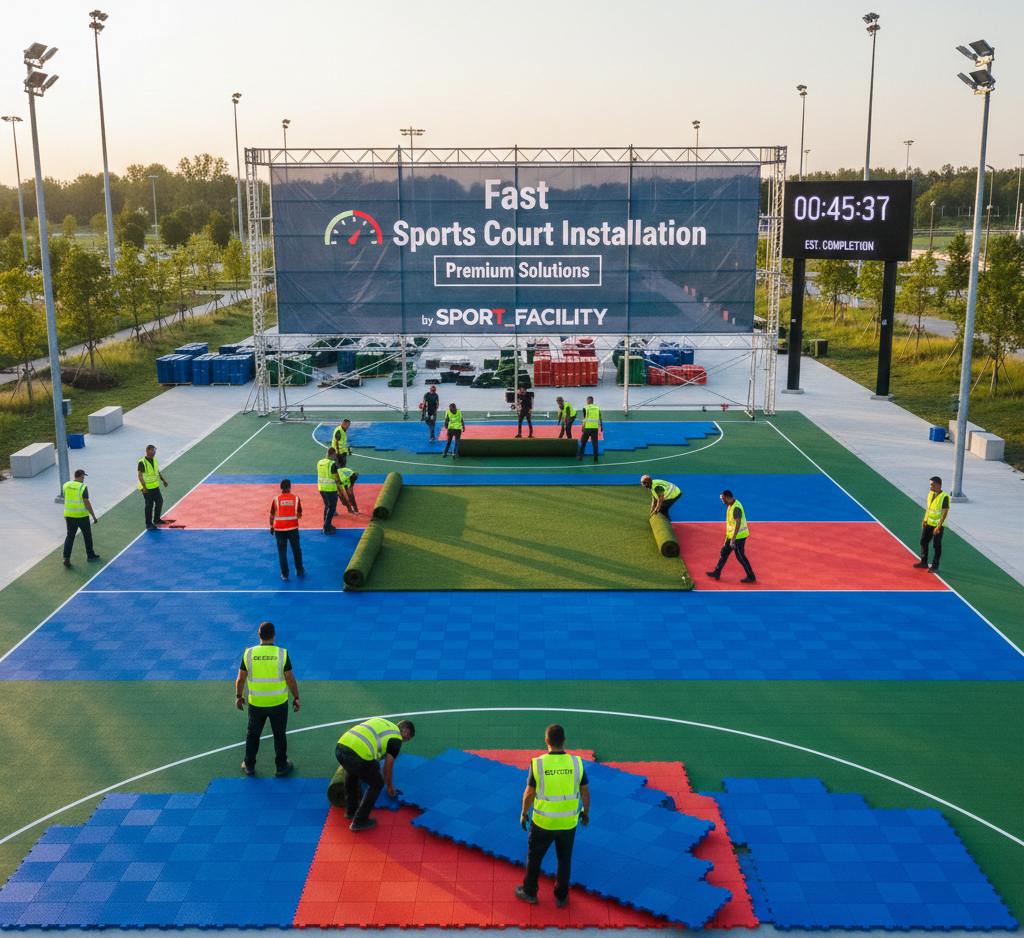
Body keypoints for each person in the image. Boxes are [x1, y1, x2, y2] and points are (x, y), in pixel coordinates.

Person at [514, 724, 590, 909]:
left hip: (543, 822)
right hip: (568, 823)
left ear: (546, 741)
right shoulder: (576, 763)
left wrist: (524, 812)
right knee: (564, 860)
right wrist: (585, 813)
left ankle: (530, 892)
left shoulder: (538, 763)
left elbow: (529, 793)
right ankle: (561, 896)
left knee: (535, 857)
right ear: (564, 741)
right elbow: (585, 791)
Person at [236, 621, 300, 777]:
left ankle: (249, 765)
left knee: (253, 734)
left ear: (259, 634)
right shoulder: (282, 653)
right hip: (278, 703)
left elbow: (240, 679)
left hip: (256, 703)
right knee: (279, 734)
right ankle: (281, 766)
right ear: (274, 635)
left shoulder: (248, 653)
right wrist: (296, 697)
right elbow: (290, 678)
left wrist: (239, 696)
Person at [335, 717, 416, 832]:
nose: (404, 741)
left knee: (352, 772)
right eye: (406, 739)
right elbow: (387, 767)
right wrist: (389, 786)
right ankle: (360, 820)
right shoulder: (396, 737)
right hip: (357, 755)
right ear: (406, 732)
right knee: (377, 784)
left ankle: (351, 811)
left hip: (340, 748)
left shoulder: (381, 722)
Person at [706, 490, 756, 583]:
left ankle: (751, 576)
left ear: (728, 497)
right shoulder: (730, 505)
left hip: (739, 537)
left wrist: (732, 539)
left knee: (740, 556)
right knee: (724, 553)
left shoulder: (736, 508)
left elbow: (738, 524)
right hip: (731, 536)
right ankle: (717, 572)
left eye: (723, 499)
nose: (722, 502)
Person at [62, 469, 100, 567]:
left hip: (69, 516)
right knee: (87, 536)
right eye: (83, 476)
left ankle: (66, 557)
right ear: (82, 476)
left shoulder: (66, 485)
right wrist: (93, 515)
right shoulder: (83, 487)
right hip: (82, 516)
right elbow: (86, 501)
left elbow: (67, 498)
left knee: (70, 536)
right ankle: (90, 556)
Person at [269, 479, 304, 581]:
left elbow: (272, 514)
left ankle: (285, 574)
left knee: (282, 552)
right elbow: (300, 514)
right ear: (290, 487)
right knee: (296, 549)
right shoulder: (296, 499)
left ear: (281, 488)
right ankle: (299, 569)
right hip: (293, 528)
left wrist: (271, 526)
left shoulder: (275, 499)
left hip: (279, 529)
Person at [914, 476, 949, 573]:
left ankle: (935, 566)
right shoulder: (930, 494)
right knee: (923, 541)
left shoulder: (944, 497)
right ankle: (924, 562)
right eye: (930, 484)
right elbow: (929, 508)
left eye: (932, 485)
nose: (931, 486)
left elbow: (944, 513)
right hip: (928, 523)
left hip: (938, 526)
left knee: (936, 545)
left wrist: (938, 526)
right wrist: (925, 520)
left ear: (939, 485)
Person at [138, 444, 170, 531]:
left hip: (155, 486)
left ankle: (156, 519)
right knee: (149, 505)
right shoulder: (142, 462)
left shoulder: (154, 459)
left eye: (154, 453)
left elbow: (156, 471)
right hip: (147, 488)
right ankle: (148, 524)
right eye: (151, 453)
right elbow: (140, 476)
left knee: (160, 501)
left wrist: (163, 480)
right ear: (147, 452)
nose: (153, 454)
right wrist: (144, 487)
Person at [317, 447, 343, 533]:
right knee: (331, 508)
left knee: (327, 506)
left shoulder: (320, 462)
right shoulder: (333, 464)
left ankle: (326, 524)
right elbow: (336, 477)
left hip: (321, 488)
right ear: (334, 454)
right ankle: (326, 527)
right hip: (330, 489)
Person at [577, 397, 602, 463]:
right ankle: (596, 457)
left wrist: (583, 427)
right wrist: (601, 426)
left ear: (588, 401)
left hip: (588, 428)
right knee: (595, 443)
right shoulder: (597, 407)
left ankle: (580, 456)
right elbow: (600, 417)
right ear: (593, 401)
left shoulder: (585, 408)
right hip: (595, 428)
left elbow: (585, 418)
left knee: (583, 442)